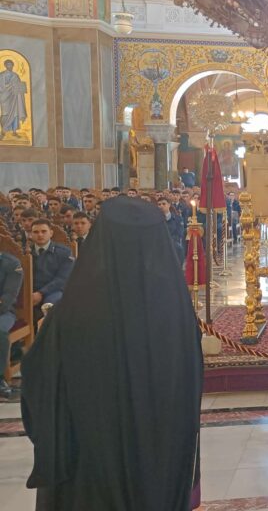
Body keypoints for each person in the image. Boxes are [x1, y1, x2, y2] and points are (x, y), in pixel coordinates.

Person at [21, 197, 203, 510]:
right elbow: (191, 381)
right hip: (158, 453)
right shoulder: (176, 306)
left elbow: (39, 380)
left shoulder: (72, 309)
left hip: (90, 461)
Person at [29, 220, 74, 311]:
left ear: (51, 233)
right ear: (31, 235)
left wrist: (41, 293)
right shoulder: (25, 253)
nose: (40, 235)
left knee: (50, 305)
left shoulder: (64, 252)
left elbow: (62, 279)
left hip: (54, 291)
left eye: (44, 231)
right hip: (30, 291)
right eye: (36, 232)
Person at [0, 251, 23, 399]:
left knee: (0, 331)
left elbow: (9, 296)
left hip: (4, 311)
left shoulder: (11, 263)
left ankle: (0, 378)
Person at [158, 198, 186, 264]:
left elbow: (179, 233)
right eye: (159, 204)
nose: (161, 206)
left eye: (163, 204)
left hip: (173, 243)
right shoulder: (155, 219)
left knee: (178, 248)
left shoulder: (177, 218)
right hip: (159, 243)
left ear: (169, 205)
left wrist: (168, 241)